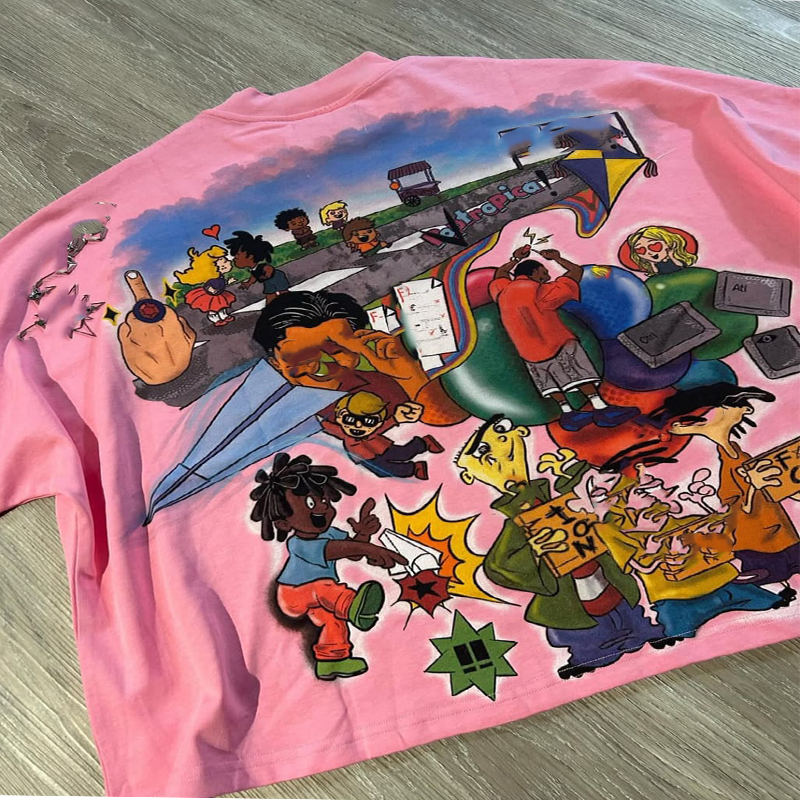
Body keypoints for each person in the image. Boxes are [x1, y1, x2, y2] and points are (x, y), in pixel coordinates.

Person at [456, 417, 666, 680]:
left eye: (501, 431)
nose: (496, 450)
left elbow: (593, 491)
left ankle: (644, 632)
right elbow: (498, 567)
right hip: (569, 593)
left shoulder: (561, 487)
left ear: (521, 433)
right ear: (468, 474)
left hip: (603, 574)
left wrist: (572, 474)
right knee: (578, 627)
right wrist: (533, 551)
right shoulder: (516, 524)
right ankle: (590, 654)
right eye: (480, 452)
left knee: (622, 606)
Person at [250, 453, 406, 680]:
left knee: (333, 622)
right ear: (283, 523)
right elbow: (336, 550)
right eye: (310, 504)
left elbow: (351, 551)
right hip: (294, 594)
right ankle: (352, 606)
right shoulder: (299, 543)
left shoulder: (330, 533)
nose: (322, 508)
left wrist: (363, 535)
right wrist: (369, 549)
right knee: (324, 588)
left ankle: (332, 661)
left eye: (324, 501)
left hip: (321, 597)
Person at [653, 383, 799, 597]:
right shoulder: (733, 460)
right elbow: (740, 507)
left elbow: (769, 492)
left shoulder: (737, 457)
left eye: (722, 408)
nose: (746, 409)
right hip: (762, 547)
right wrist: (754, 487)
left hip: (779, 540)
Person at [252, 289, 468, 426]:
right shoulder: (276, 414)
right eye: (304, 357)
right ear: (276, 364)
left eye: (338, 349)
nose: (325, 364)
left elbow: (449, 417)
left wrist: (410, 376)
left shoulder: (381, 385)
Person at [488, 246, 638, 431]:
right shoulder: (541, 291)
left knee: (550, 383)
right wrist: (557, 258)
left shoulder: (502, 291)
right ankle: (601, 409)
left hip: (529, 352)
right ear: (534, 272)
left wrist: (515, 258)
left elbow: (500, 274)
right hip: (558, 343)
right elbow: (576, 273)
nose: (547, 277)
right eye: (543, 273)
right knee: (580, 374)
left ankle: (568, 414)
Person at [319, 391, 443, 479]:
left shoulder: (374, 429)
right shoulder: (341, 431)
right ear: (339, 418)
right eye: (349, 420)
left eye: (369, 421)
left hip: (380, 446)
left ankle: (424, 443)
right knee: (383, 471)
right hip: (365, 457)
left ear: (378, 423)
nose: (358, 425)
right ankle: (414, 468)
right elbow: (324, 425)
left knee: (403, 453)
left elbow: (384, 425)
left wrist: (395, 419)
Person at [223, 230, 289, 302]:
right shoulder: (253, 269)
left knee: (283, 292)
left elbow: (269, 269)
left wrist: (267, 275)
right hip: (267, 281)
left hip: (277, 277)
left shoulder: (261, 266)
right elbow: (254, 276)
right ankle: (271, 306)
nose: (235, 258)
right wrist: (249, 283)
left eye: (238, 255)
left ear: (250, 256)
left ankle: (288, 302)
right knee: (270, 294)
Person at [620, 225, 698, 276]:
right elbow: (656, 272)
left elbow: (680, 265)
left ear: (669, 243)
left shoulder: (675, 259)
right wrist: (651, 263)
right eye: (641, 250)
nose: (649, 252)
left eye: (654, 246)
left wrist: (671, 255)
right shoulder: (656, 264)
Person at [184, 252, 237, 326]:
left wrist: (228, 282)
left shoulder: (220, 276)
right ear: (220, 268)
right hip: (210, 296)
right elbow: (207, 285)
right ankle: (216, 320)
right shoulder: (213, 278)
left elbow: (222, 283)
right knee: (212, 308)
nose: (229, 262)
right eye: (225, 262)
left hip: (219, 294)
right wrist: (211, 289)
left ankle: (224, 316)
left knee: (222, 306)